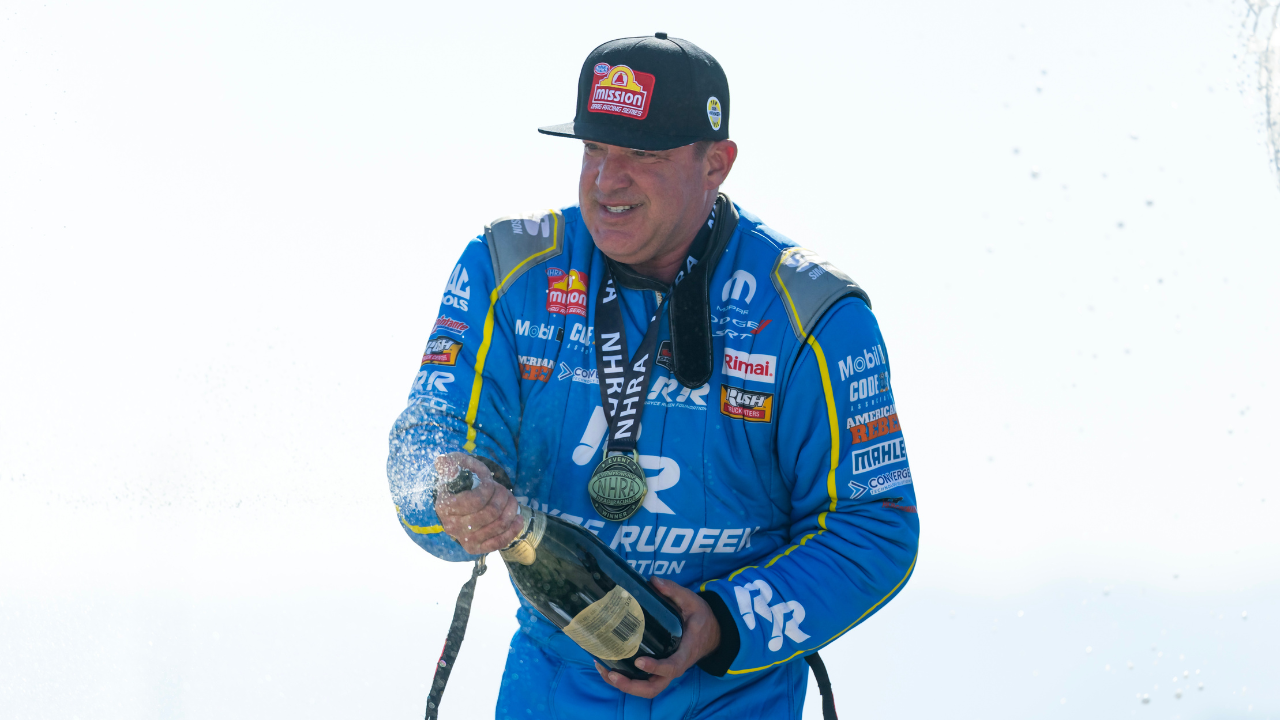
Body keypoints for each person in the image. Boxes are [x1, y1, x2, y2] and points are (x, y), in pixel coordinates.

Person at [388, 33, 919, 720]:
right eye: (594, 149)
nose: (608, 180)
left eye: (642, 154)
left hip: (737, 700)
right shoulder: (506, 266)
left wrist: (721, 624)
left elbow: (876, 526)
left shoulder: (811, 314)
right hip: (550, 692)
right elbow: (421, 440)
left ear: (716, 164)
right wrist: (448, 491)